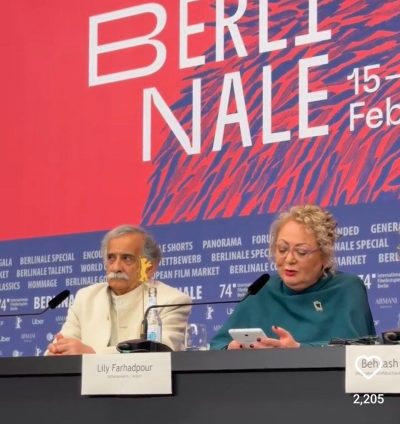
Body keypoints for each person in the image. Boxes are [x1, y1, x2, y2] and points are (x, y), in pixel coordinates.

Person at [210, 205, 376, 350]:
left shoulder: (347, 288)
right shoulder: (262, 291)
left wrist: (297, 350)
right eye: (282, 249)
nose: (289, 259)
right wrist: (232, 348)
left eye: (301, 252)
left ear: (325, 256)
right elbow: (217, 346)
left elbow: (359, 351)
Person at [47, 225, 191, 355]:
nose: (116, 267)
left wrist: (93, 354)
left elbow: (160, 351)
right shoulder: (86, 298)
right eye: (111, 258)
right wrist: (57, 351)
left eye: (127, 259)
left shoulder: (171, 301)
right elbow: (60, 347)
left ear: (149, 268)